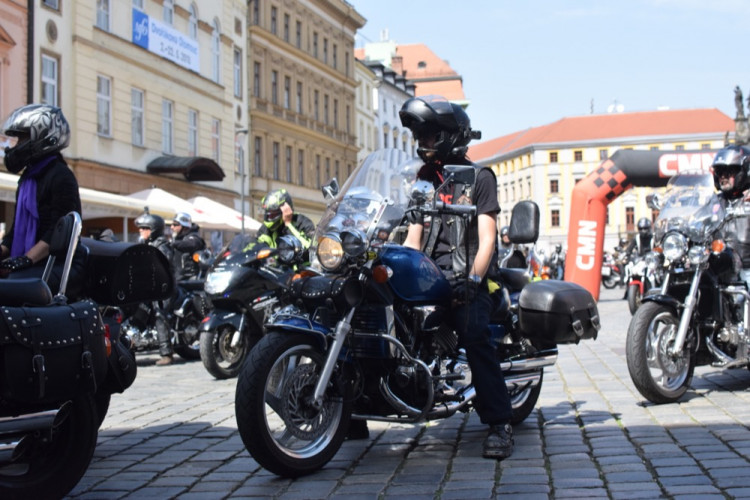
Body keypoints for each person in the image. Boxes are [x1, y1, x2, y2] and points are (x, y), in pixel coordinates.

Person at [399, 94, 513, 460]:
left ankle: (499, 424)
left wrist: (473, 281)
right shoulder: (423, 180)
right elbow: (414, 239)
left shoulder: (480, 178)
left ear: (449, 136)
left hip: (469, 279)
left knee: (473, 332)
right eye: (420, 137)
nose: (423, 144)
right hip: (430, 279)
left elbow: (488, 239)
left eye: (429, 136)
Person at [0, 104, 84, 293]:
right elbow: (14, 233)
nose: (16, 145)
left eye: (22, 138)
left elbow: (57, 231)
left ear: (43, 137)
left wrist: (24, 260)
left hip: (60, 264)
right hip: (37, 262)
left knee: (7, 286)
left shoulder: (61, 176)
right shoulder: (28, 179)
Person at [135, 210, 175, 366]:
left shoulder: (162, 245)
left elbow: (162, 265)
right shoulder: (147, 245)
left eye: (144, 228)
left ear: (153, 230)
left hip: (164, 288)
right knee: (139, 309)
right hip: (150, 287)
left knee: (159, 314)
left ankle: (167, 353)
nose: (140, 231)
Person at [712, 145, 750, 282]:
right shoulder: (714, 202)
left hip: (747, 267)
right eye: (719, 171)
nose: (723, 176)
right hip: (720, 264)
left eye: (729, 171)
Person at [249, 188, 315, 260]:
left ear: (285, 209)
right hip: (276, 268)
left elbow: (310, 249)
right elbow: (254, 246)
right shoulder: (266, 229)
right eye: (267, 214)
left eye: (272, 214)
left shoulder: (302, 222)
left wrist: (288, 224)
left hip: (300, 268)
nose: (269, 217)